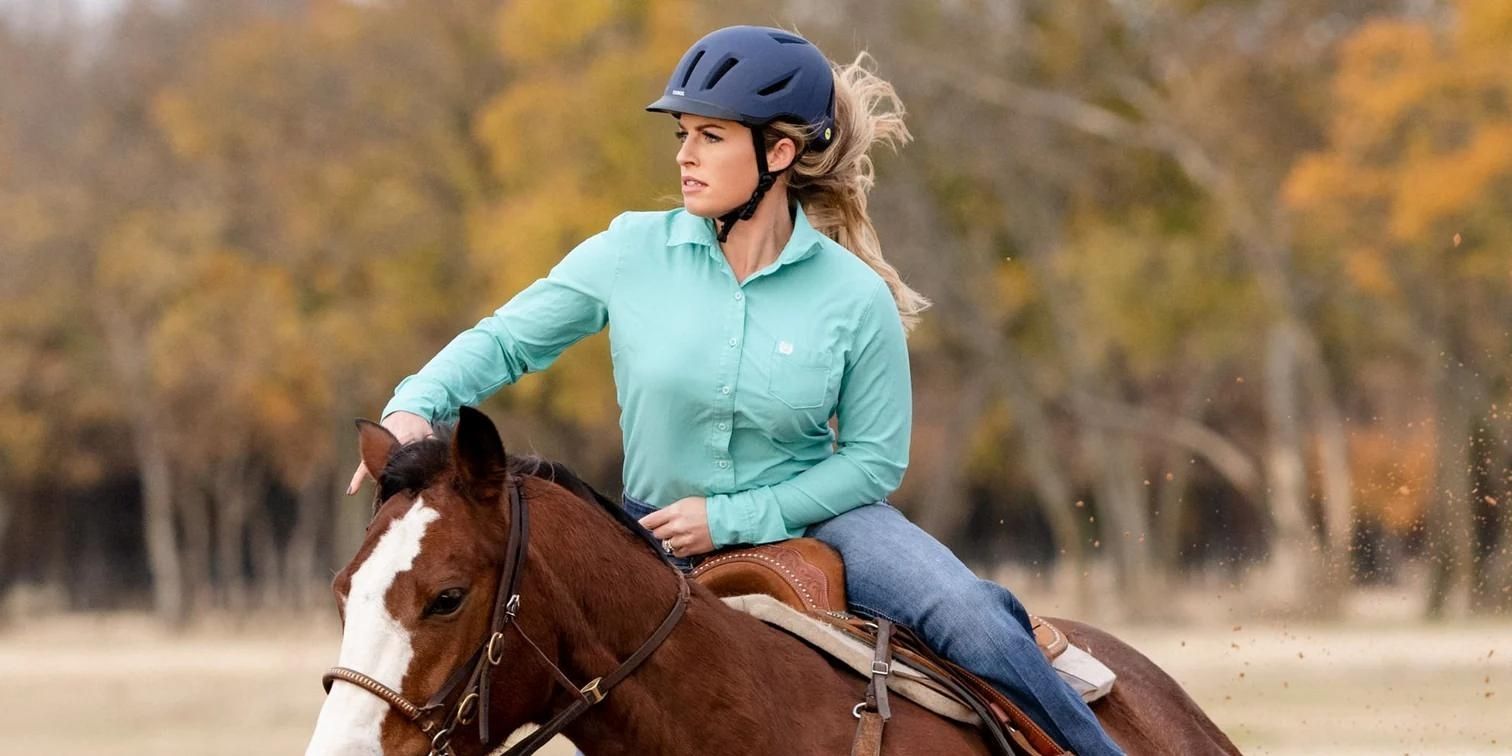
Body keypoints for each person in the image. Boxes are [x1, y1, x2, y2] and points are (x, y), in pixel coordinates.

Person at [347, 24, 1123, 755]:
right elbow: (507, 341)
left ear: (779, 152)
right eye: (682, 135)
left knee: (974, 618)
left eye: (710, 137)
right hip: (651, 528)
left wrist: (735, 518)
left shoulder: (854, 297)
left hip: (830, 520)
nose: (685, 155)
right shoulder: (630, 251)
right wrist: (417, 403)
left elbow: (875, 463)